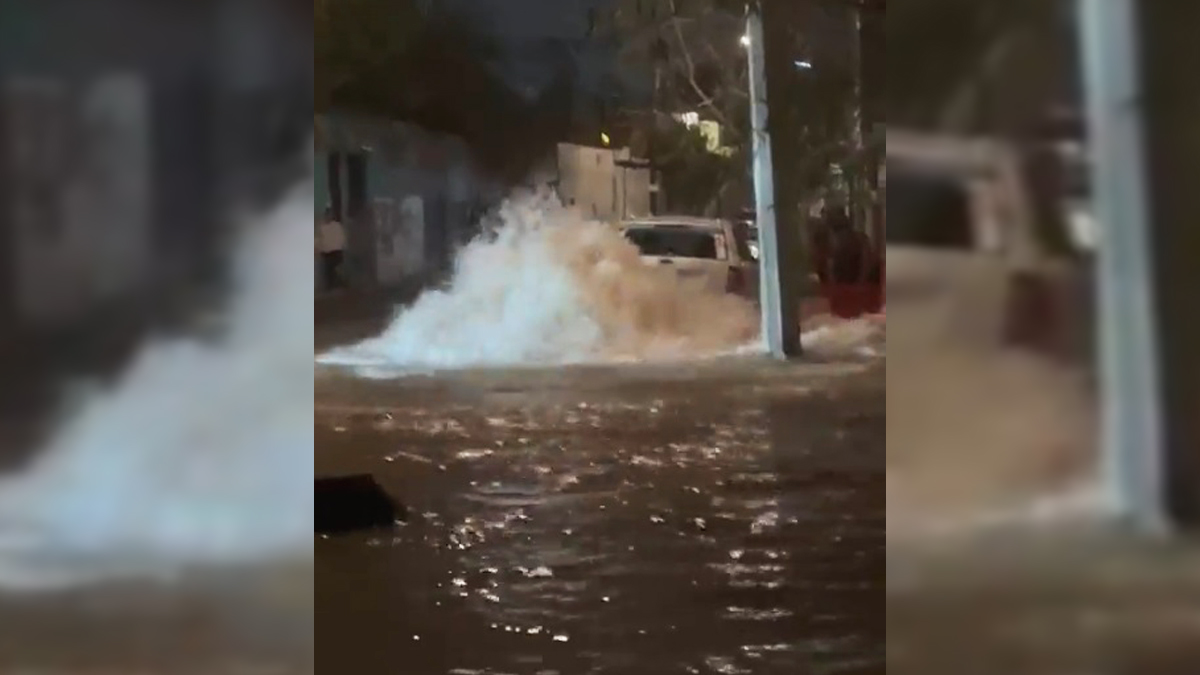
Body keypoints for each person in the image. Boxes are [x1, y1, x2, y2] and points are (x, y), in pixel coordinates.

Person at [317, 207, 346, 289]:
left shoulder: (335, 226)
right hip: (329, 252)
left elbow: (341, 238)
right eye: (328, 215)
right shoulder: (323, 227)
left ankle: (336, 284)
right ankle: (333, 285)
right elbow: (320, 240)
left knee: (331, 270)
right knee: (329, 271)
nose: (329, 216)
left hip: (335, 251)